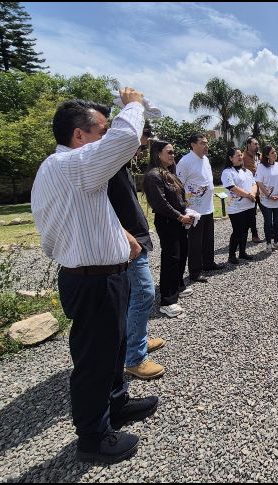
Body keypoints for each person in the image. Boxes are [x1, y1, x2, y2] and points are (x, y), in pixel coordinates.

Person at [31, 89, 158, 464]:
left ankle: (116, 406)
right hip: (92, 279)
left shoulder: (71, 171)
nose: (106, 136)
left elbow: (85, 215)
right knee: (94, 361)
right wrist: (133, 104)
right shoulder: (70, 165)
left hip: (104, 274)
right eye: (100, 129)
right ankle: (92, 438)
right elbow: (125, 138)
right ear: (79, 135)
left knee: (114, 346)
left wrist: (123, 239)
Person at [107, 126, 171, 381]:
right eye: (140, 144)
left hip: (136, 238)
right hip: (129, 242)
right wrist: (128, 236)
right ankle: (134, 357)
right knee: (144, 292)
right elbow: (103, 210)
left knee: (135, 293)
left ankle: (138, 340)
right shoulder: (109, 166)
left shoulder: (121, 166)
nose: (141, 150)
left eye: (143, 146)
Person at [142, 140, 195, 320]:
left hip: (179, 220)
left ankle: (178, 285)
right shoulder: (153, 175)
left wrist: (186, 209)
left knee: (182, 254)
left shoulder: (168, 173)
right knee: (171, 258)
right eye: (170, 152)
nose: (173, 155)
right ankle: (167, 300)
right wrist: (180, 216)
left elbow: (178, 196)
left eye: (173, 152)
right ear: (158, 154)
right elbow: (160, 203)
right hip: (167, 221)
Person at [177, 133, 224, 283]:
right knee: (195, 243)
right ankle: (195, 272)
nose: (206, 146)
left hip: (208, 207)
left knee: (208, 239)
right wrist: (183, 207)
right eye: (202, 143)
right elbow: (178, 186)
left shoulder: (206, 160)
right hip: (194, 210)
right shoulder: (185, 161)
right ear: (193, 144)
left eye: (206, 143)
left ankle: (209, 264)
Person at [221, 147, 257, 264]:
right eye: (238, 155)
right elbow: (233, 188)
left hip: (249, 206)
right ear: (230, 158)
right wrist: (248, 195)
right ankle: (231, 255)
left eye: (241, 155)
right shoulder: (227, 172)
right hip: (236, 208)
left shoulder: (247, 171)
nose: (241, 157)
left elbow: (254, 184)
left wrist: (253, 193)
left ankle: (242, 252)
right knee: (237, 231)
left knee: (245, 230)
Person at [256, 145, 278, 251]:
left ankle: (276, 241)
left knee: (277, 221)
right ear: (267, 155)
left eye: (275, 152)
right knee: (268, 222)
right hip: (266, 200)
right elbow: (259, 183)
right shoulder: (261, 167)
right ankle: (268, 243)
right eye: (272, 153)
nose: (275, 154)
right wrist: (268, 195)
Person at [243, 136, 263, 243]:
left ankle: (272, 231)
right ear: (248, 145)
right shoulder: (243, 157)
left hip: (262, 189)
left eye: (257, 144)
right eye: (255, 144)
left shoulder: (260, 156)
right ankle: (254, 235)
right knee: (252, 214)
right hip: (251, 190)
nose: (257, 146)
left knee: (267, 210)